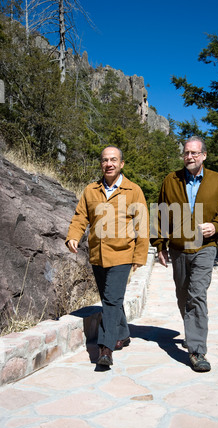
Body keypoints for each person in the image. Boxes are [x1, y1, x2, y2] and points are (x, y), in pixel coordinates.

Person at [150, 136, 218, 372]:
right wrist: (160, 245)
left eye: (194, 153)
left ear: (204, 156)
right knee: (183, 295)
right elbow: (159, 213)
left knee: (197, 294)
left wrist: (217, 226)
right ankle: (192, 331)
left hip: (205, 247)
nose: (190, 157)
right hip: (178, 248)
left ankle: (197, 351)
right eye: (187, 153)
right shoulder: (171, 180)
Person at [66, 146, 149, 368]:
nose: (109, 164)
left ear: (122, 164)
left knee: (111, 300)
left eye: (113, 160)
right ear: (101, 164)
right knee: (109, 299)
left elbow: (142, 225)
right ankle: (123, 333)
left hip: (122, 254)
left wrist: (139, 255)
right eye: (105, 160)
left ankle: (105, 348)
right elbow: (80, 216)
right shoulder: (91, 190)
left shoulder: (133, 191)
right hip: (97, 254)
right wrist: (73, 236)